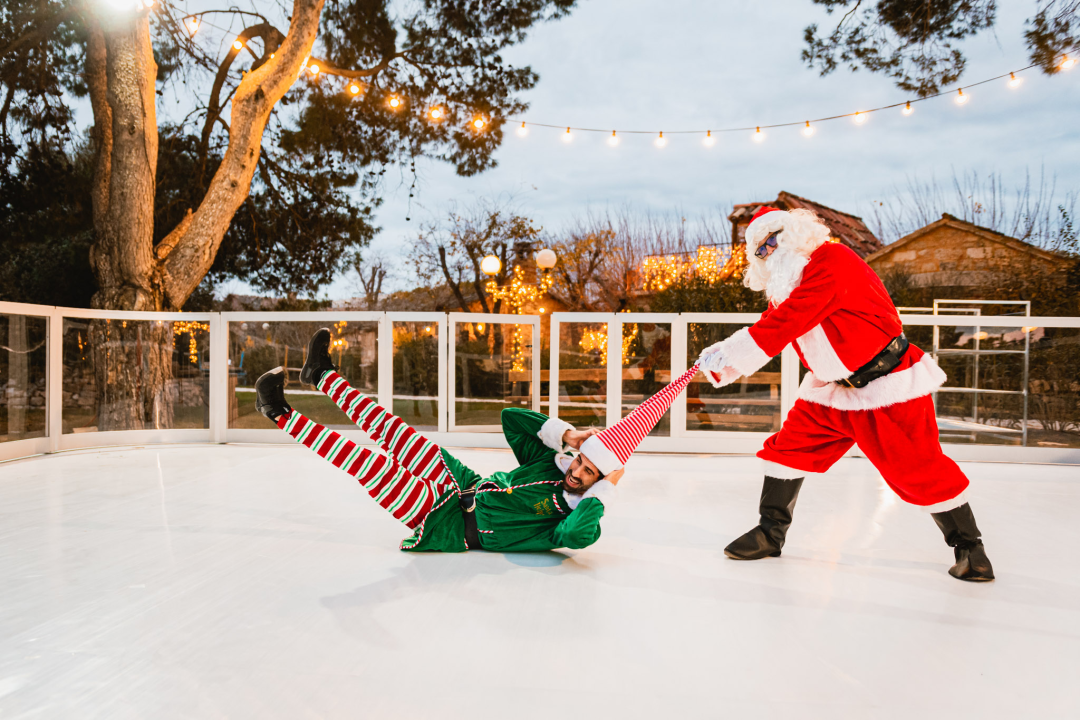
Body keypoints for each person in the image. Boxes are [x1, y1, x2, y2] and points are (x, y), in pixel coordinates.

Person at [698, 206, 994, 582]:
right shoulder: (787, 287)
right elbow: (776, 320)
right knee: (786, 453)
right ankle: (769, 534)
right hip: (830, 393)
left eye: (772, 241)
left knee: (918, 468)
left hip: (886, 388)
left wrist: (732, 354)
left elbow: (792, 318)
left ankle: (970, 547)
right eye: (760, 250)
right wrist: (723, 359)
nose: (769, 252)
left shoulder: (834, 259)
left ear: (794, 232)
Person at [254, 328, 699, 553]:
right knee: (394, 431)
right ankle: (322, 375)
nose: (578, 472)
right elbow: (512, 420)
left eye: (589, 473)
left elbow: (577, 537)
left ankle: (278, 413)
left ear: (601, 481)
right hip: (463, 482)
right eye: (580, 461)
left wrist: (604, 490)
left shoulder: (574, 517)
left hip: (447, 523)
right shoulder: (554, 464)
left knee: (368, 464)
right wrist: (567, 435)